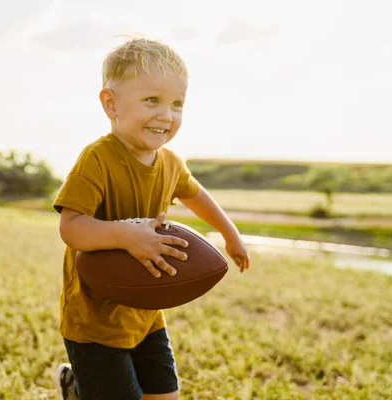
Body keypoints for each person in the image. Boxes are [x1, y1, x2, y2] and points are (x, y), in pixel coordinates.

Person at [52, 37, 250, 400]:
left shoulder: (171, 163)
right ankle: (78, 388)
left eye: (177, 104)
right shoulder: (96, 159)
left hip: (145, 313)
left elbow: (195, 194)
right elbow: (71, 227)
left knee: (166, 396)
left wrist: (229, 233)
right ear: (111, 104)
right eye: (152, 100)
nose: (166, 115)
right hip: (93, 321)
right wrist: (127, 236)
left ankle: (78, 387)